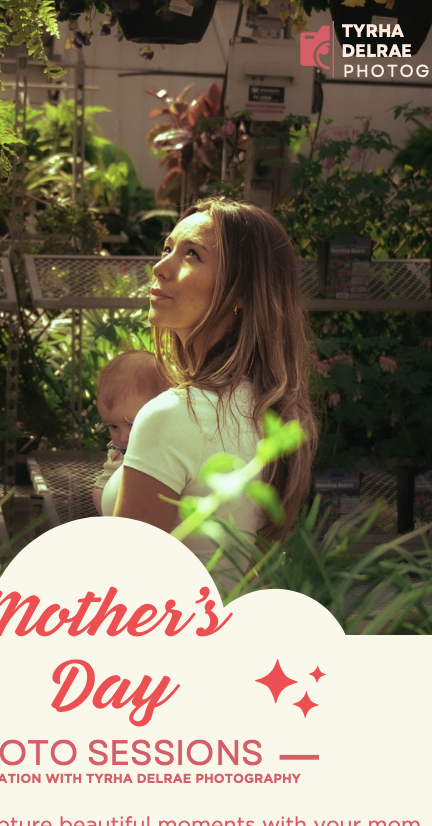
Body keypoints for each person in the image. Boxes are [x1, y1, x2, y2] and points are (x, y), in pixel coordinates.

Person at [112, 197, 317, 558]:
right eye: (168, 248)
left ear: (240, 291)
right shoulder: (270, 412)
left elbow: (125, 574)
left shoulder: (172, 417)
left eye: (192, 254)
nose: (160, 267)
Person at [92, 350, 167, 514]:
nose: (123, 437)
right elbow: (100, 488)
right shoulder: (118, 455)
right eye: (113, 427)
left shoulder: (169, 447)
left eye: (132, 425)